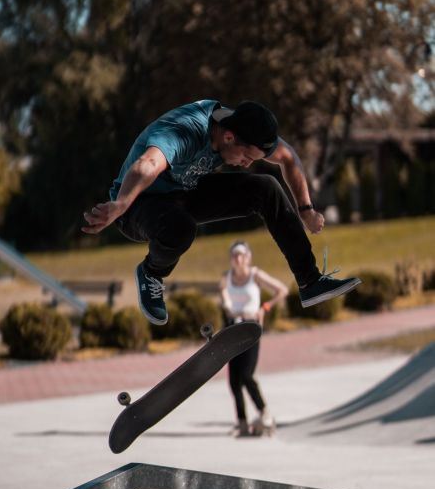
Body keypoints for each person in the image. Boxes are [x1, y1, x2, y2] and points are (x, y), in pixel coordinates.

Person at [82, 99, 360, 324]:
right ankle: (151, 273)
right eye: (246, 157)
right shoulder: (186, 130)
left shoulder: (237, 125)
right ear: (228, 136)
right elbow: (148, 163)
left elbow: (288, 158)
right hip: (137, 205)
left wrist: (306, 209)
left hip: (184, 194)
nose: (247, 164)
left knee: (266, 187)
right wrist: (119, 204)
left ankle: (310, 281)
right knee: (180, 227)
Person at [220, 240, 287, 438]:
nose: (238, 258)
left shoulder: (255, 274)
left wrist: (264, 308)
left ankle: (264, 413)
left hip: (251, 330)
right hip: (233, 329)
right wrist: (226, 304)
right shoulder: (227, 278)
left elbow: (282, 290)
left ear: (248, 257)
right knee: (233, 380)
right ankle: (241, 423)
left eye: (241, 255)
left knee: (247, 375)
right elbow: (225, 300)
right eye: (234, 255)